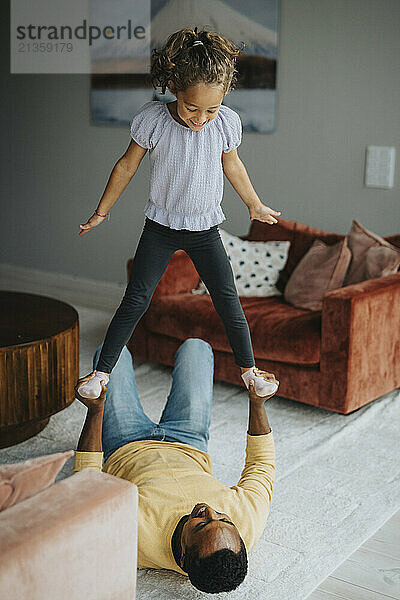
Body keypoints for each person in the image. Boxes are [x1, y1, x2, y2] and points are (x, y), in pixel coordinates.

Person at [76, 27, 281, 400]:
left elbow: (233, 167)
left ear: (223, 99)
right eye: (191, 108)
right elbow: (125, 166)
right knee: (136, 298)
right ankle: (100, 373)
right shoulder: (152, 119)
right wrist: (101, 212)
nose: (200, 118)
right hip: (160, 228)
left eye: (211, 109)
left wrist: (254, 203)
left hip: (205, 230)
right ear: (173, 86)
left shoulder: (225, 123)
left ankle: (250, 371)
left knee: (226, 299)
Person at [73, 338, 277, 594]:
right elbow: (261, 464)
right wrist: (258, 403)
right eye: (223, 518)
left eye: (201, 524)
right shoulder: (246, 521)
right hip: (189, 441)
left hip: (126, 445)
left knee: (110, 350)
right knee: (197, 347)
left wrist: (94, 412)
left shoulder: (131, 540)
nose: (209, 510)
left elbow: (85, 485)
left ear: (182, 559)